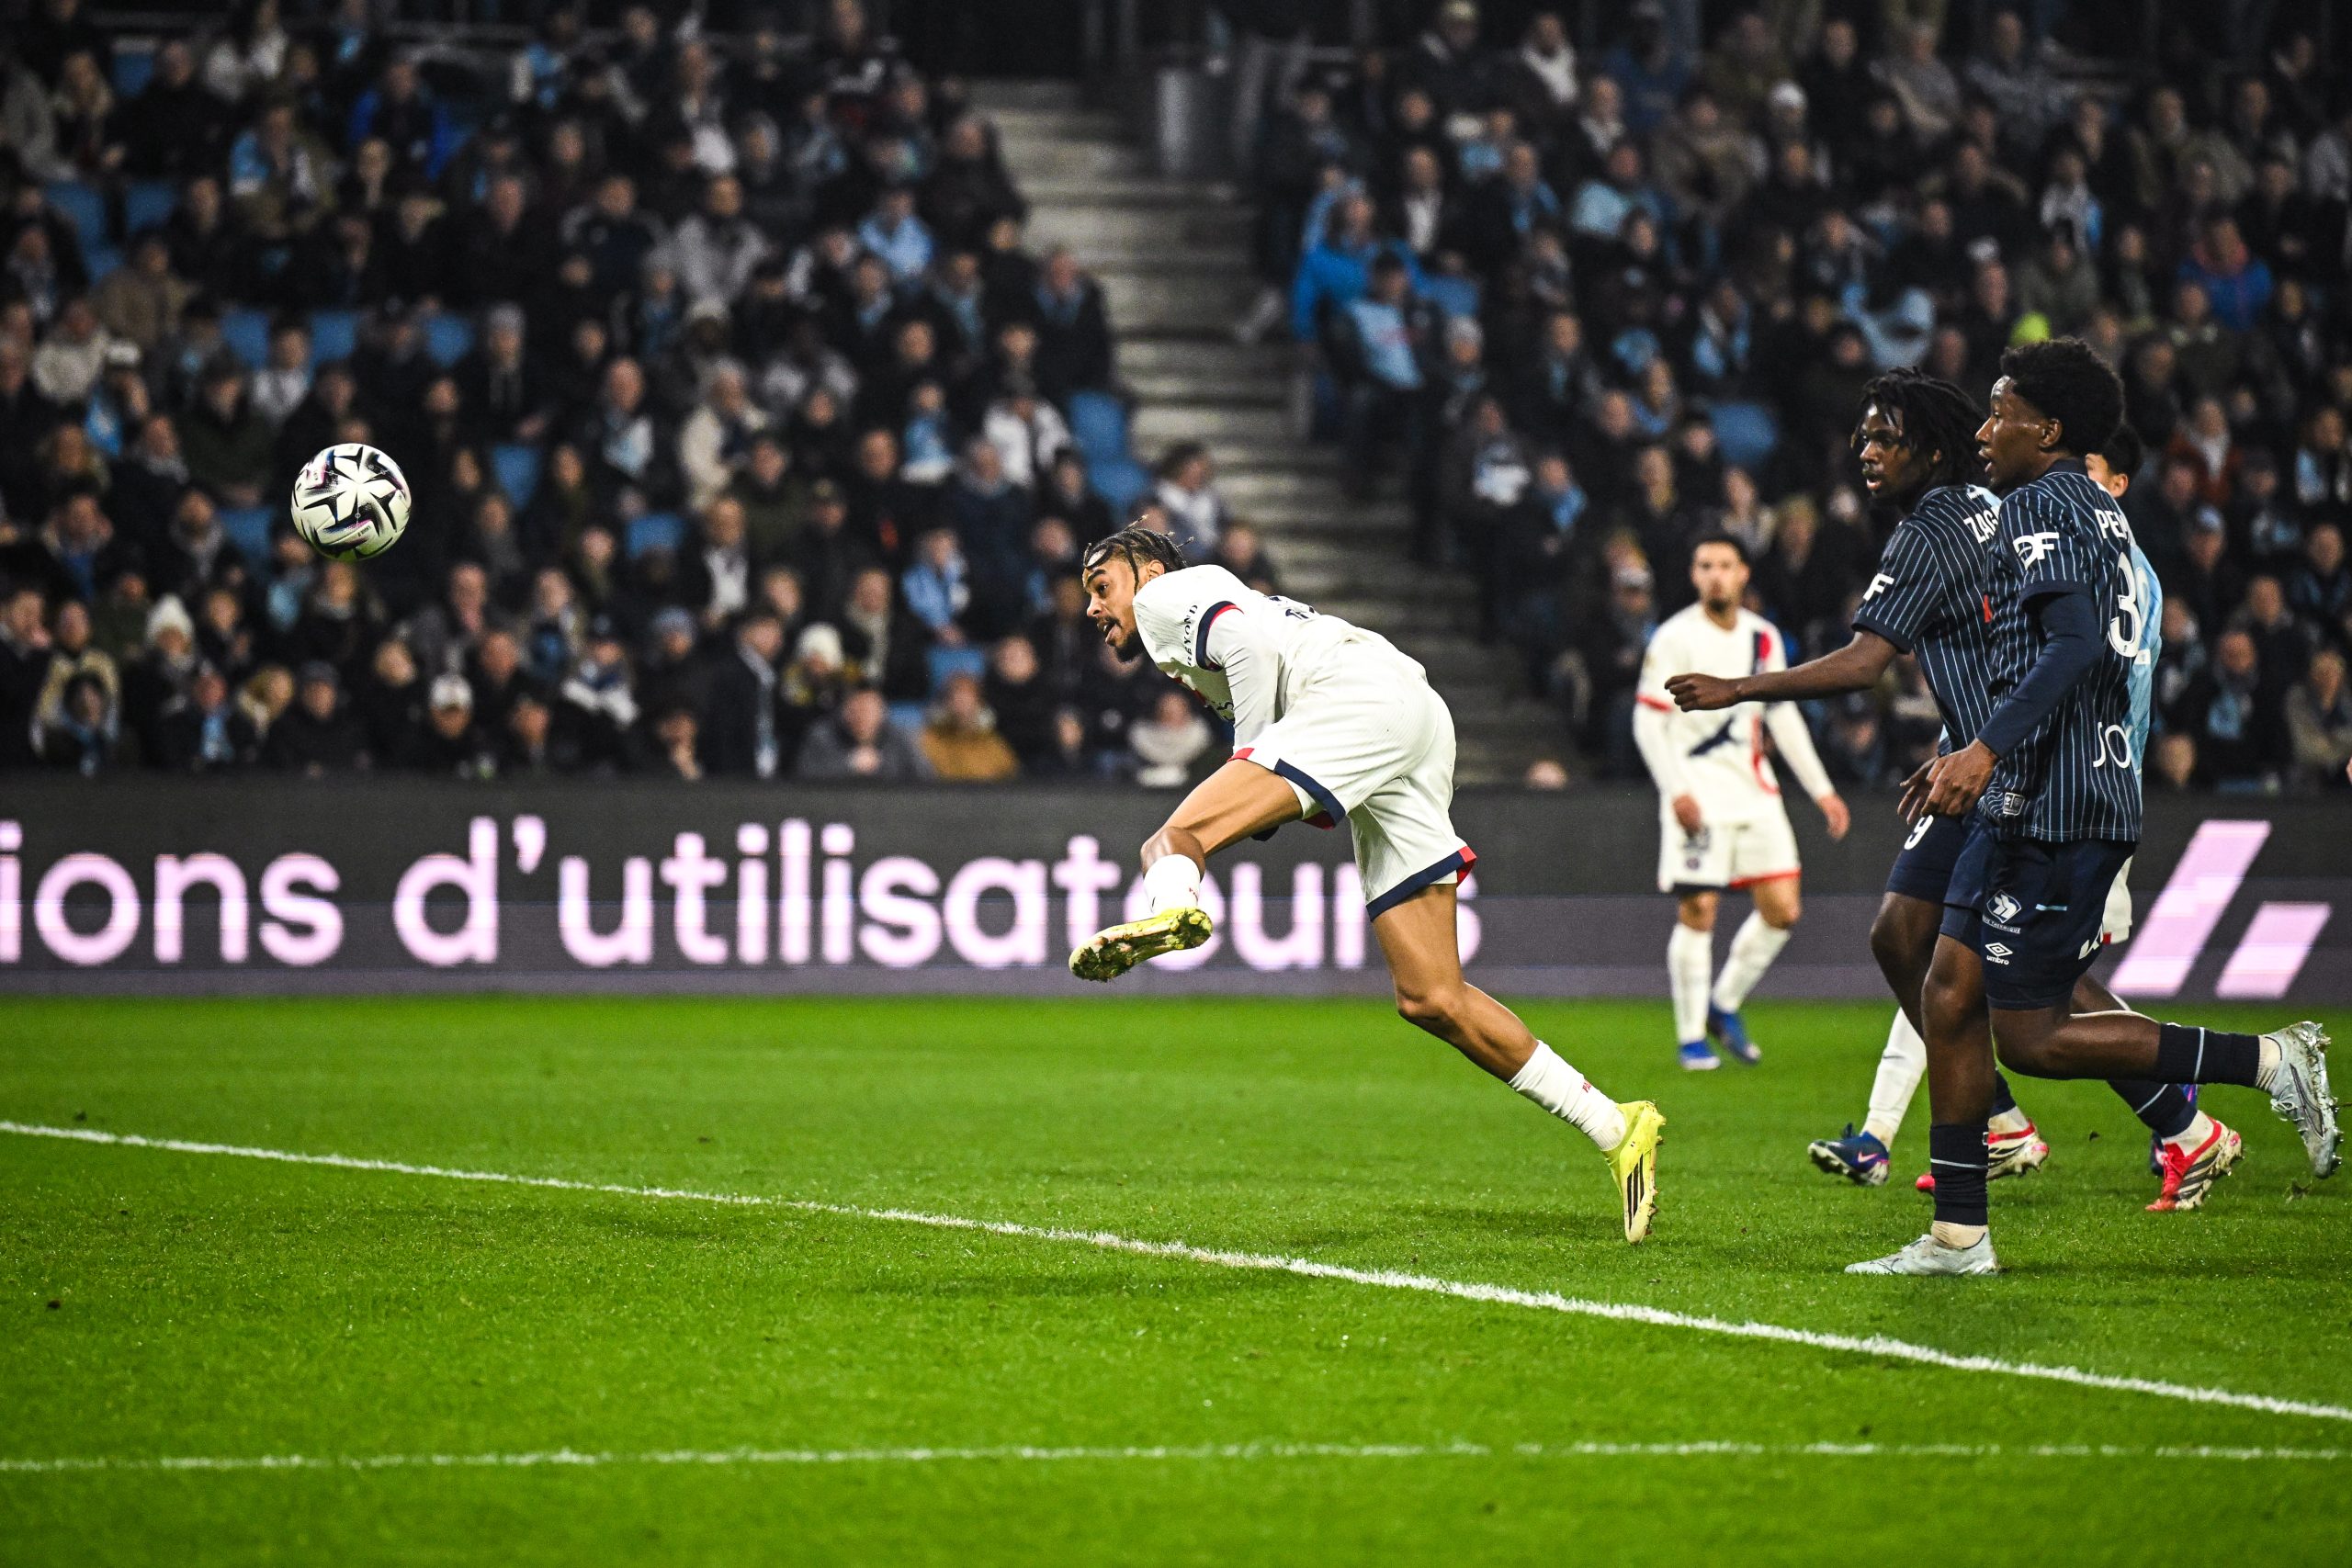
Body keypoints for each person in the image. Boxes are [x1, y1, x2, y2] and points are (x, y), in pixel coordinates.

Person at [1859, 340, 2335, 1276]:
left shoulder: (2039, 507)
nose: (1984, 431)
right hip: (2033, 790)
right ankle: (1959, 1236)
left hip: (2054, 800)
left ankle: (2271, 1063)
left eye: (2001, 415)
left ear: (2051, 430)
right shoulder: (2097, 511)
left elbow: (2073, 644)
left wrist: (1985, 747)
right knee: (1948, 994)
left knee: (2029, 1036)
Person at [1671, 378, 2205, 1204]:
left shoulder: (1930, 531)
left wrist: (1738, 689)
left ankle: (2183, 1115)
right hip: (2000, 758)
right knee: (1907, 937)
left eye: (1885, 438)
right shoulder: (1989, 509)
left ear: (1929, 448)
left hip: (2021, 776)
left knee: (2021, 981)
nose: (1867, 452)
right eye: (1862, 437)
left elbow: (1861, 662)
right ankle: (2008, 1127)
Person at [1065, 527, 1666, 1244]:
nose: (1094, 608)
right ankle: (1617, 1125)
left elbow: (1244, 647)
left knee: (1172, 841)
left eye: (1102, 587)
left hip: (1358, 699)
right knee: (1433, 996)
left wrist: (1249, 753)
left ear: (1150, 569)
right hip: (1410, 716)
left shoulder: (1166, 597)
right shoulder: (1198, 617)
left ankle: (1174, 907)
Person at [1634, 535, 1849, 1071]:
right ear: (1693, 574)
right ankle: (1690, 1039)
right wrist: (1674, 789)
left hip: (1756, 795)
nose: (1716, 576)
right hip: (1697, 792)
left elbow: (1782, 715)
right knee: (1699, 908)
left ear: (1743, 573)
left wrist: (1821, 790)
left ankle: (1722, 1003)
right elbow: (1648, 718)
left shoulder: (1762, 638)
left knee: (1783, 910)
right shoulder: (1675, 636)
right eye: (1705, 565)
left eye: (1725, 566)